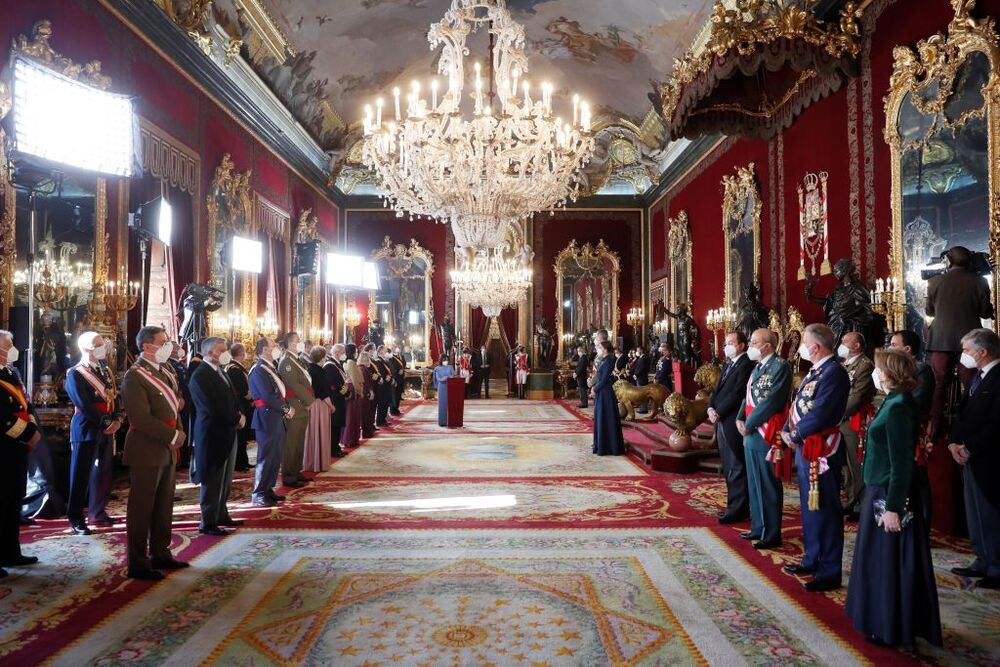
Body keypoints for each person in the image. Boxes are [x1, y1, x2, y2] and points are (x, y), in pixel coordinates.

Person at [846, 348, 942, 648]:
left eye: (878, 368)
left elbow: (902, 463)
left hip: (889, 493)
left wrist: (893, 508)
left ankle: (891, 625)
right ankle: (880, 620)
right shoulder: (891, 401)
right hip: (879, 487)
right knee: (878, 560)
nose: (875, 372)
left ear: (889, 374)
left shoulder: (899, 406)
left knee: (889, 562)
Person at [781, 323, 850, 592]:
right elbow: (799, 405)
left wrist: (794, 435)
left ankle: (829, 570)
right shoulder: (816, 372)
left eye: (803, 343)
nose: (800, 349)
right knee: (810, 508)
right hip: (806, 446)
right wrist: (789, 430)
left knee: (826, 509)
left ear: (815, 347)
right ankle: (812, 558)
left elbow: (820, 414)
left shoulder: (835, 373)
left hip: (822, 448)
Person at [121, 326, 189, 580]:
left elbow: (174, 407)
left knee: (163, 505)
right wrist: (172, 435)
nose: (168, 345)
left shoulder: (165, 371)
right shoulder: (135, 376)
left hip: (167, 448)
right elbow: (140, 418)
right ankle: (138, 562)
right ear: (148, 346)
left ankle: (161, 552)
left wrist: (179, 432)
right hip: (146, 449)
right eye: (164, 342)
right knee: (142, 507)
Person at [947, 328, 1000, 589]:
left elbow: (995, 424)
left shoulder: (998, 377)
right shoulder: (979, 376)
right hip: (969, 455)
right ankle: (982, 559)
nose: (963, 355)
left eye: (967, 350)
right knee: (975, 511)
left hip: (988, 457)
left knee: (990, 512)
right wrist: (954, 444)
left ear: (982, 352)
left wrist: (969, 447)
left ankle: (996, 567)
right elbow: (962, 413)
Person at [926, 246, 993, 429]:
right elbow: (985, 312)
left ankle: (935, 427)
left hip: (940, 339)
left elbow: (929, 311)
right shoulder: (980, 281)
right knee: (970, 383)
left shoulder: (934, 281)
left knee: (939, 384)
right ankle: (970, 424)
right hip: (971, 341)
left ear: (949, 260)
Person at [737, 328, 792, 550]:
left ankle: (771, 532)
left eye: (753, 342)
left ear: (767, 345)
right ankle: (758, 526)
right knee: (754, 482)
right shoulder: (757, 367)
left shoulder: (780, 367)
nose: (750, 345)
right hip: (750, 434)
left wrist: (749, 424)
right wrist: (740, 418)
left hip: (764, 433)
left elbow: (772, 401)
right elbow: (748, 395)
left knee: (768, 484)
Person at [65, 331, 121, 534]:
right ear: (86, 347)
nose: (102, 346)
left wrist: (116, 418)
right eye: (98, 344)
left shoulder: (105, 371)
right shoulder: (75, 373)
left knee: (104, 472)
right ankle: (76, 517)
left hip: (106, 428)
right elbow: (83, 403)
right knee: (80, 475)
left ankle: (98, 511)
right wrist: (105, 421)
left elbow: (113, 396)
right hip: (86, 428)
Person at [189, 336, 244, 536]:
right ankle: (208, 521)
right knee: (212, 478)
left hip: (228, 430)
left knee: (226, 478)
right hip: (212, 432)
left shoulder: (221, 371)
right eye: (222, 350)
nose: (225, 353)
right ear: (210, 352)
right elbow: (211, 406)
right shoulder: (200, 375)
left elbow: (232, 397)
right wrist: (235, 418)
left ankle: (222, 513)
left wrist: (239, 414)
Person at [0, 330, 41, 576]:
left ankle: (11, 551)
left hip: (16, 449)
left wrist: (33, 428)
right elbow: (2, 417)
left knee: (14, 499)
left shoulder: (11, 372)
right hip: (3, 446)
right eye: (10, 344)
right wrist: (27, 433)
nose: (14, 347)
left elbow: (27, 403)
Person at [889, 330, 935, 531]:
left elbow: (916, 401)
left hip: (913, 429)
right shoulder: (896, 369)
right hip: (897, 426)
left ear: (907, 349)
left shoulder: (921, 369)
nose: (889, 347)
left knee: (918, 478)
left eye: (893, 344)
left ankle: (923, 526)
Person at [708, 331, 755, 524]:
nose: (726, 346)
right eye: (726, 343)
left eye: (731, 343)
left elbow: (737, 394)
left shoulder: (746, 365)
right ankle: (733, 505)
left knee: (736, 467)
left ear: (742, 345)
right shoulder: (728, 364)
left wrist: (719, 411)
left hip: (732, 421)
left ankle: (738, 509)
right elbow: (716, 390)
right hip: (721, 421)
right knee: (728, 467)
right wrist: (710, 406)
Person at [249, 337, 291, 507]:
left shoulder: (269, 367)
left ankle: (268, 489)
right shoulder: (259, 369)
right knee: (266, 457)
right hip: (266, 417)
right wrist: (286, 409)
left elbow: (279, 392)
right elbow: (267, 395)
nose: (277, 349)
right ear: (265, 350)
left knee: (275, 456)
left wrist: (284, 407)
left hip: (275, 416)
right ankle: (259, 493)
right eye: (273, 347)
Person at [838, 332, 875, 521]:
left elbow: (857, 397)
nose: (842, 344)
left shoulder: (865, 365)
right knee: (845, 466)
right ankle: (851, 500)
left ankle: (861, 503)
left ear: (857, 346)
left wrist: (835, 413)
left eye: (846, 341)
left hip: (854, 420)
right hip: (841, 421)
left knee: (856, 463)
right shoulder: (844, 364)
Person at [277, 332, 313, 489]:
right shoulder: (287, 361)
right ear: (291, 344)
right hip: (294, 403)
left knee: (299, 441)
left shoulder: (297, 360)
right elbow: (294, 385)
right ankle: (289, 476)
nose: (301, 344)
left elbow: (305, 382)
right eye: (298, 341)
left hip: (301, 404)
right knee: (291, 442)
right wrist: (309, 401)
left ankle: (296, 471)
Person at [592, 341, 625, 456]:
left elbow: (604, 379)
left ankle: (608, 447)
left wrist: (594, 389)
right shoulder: (604, 360)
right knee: (601, 418)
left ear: (605, 349)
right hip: (602, 392)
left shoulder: (608, 360)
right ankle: (601, 445)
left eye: (600, 347)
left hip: (605, 393)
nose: (598, 349)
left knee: (605, 418)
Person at [304, 346, 333, 473]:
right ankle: (319, 463)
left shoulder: (309, 368)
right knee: (320, 433)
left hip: (312, 403)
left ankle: (312, 461)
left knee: (312, 434)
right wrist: (331, 406)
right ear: (321, 358)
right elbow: (323, 391)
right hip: (320, 405)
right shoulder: (319, 371)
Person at [226, 343, 253, 472]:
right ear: (241, 354)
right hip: (241, 405)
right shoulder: (234, 369)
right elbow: (243, 390)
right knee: (241, 436)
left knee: (244, 436)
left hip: (244, 405)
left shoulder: (237, 367)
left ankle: (244, 461)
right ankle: (240, 463)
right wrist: (253, 399)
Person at [324, 343, 349, 458]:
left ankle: (336, 447)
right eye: (343, 352)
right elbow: (334, 382)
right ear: (337, 353)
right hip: (335, 398)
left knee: (338, 424)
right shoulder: (330, 365)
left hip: (339, 398)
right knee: (335, 424)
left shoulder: (336, 364)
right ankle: (333, 449)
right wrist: (344, 390)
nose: (344, 354)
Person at [341, 344, 364, 448]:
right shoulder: (350, 362)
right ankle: (349, 439)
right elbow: (354, 379)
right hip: (353, 389)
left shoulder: (351, 362)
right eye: (355, 350)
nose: (357, 352)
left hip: (354, 388)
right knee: (351, 416)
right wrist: (359, 391)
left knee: (355, 415)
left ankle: (353, 438)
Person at [358, 350, 377, 437]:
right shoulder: (364, 369)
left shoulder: (360, 367)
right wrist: (371, 392)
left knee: (365, 413)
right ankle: (367, 433)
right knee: (366, 414)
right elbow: (366, 382)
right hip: (366, 393)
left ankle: (367, 432)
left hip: (363, 393)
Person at [433, 355, 456, 427]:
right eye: (444, 360)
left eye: (447, 360)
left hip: (450, 387)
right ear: (441, 360)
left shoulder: (450, 367)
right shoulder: (437, 369)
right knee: (442, 404)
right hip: (442, 387)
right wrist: (446, 377)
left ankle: (451, 421)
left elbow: (454, 375)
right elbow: (439, 379)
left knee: (451, 404)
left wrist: (451, 377)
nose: (446, 362)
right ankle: (442, 422)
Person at [631, 344, 650, 413]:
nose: (637, 352)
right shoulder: (640, 358)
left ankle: (644, 409)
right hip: (639, 378)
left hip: (642, 378)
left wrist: (636, 374)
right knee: (640, 394)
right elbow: (637, 367)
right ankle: (642, 408)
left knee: (642, 394)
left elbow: (641, 368)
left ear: (641, 350)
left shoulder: (644, 358)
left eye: (638, 350)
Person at [388, 347, 405, 415]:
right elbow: (392, 367)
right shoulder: (391, 357)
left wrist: (401, 356)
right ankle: (393, 410)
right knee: (394, 395)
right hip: (396, 378)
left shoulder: (398, 357)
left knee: (398, 395)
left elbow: (403, 364)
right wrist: (398, 371)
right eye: (395, 348)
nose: (397, 349)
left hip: (400, 378)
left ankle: (396, 409)